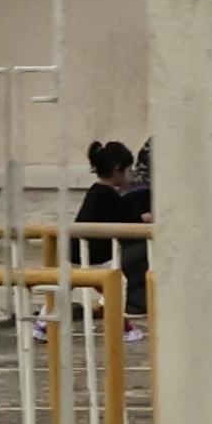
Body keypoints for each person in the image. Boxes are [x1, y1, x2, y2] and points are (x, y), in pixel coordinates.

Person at [71, 135, 152, 315]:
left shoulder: (97, 191)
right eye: (129, 169)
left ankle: (125, 318)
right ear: (118, 170)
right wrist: (145, 219)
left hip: (81, 253)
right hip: (94, 257)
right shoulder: (108, 195)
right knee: (144, 249)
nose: (132, 174)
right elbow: (132, 225)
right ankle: (136, 304)